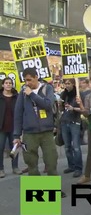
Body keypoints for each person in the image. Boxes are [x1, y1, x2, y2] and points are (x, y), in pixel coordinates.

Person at [13, 68, 66, 197]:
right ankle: (37, 191)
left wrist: (32, 94)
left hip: (46, 132)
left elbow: (47, 105)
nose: (27, 83)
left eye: (30, 80)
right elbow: (18, 113)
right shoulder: (22, 92)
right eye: (25, 80)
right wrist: (16, 135)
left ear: (36, 77)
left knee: (51, 160)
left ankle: (53, 190)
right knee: (31, 161)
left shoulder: (46, 89)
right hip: (29, 133)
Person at [59, 78, 84, 178]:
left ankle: (78, 168)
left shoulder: (78, 94)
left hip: (75, 122)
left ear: (73, 84)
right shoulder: (63, 94)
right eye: (65, 83)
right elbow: (61, 109)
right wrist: (60, 105)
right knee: (67, 146)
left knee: (76, 147)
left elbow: (83, 109)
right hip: (65, 121)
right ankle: (71, 165)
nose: (67, 85)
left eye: (68, 83)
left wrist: (73, 108)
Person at [0, 78, 22, 178]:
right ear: (3, 85)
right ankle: (1, 169)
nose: (8, 85)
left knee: (14, 148)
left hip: (14, 127)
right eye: (6, 83)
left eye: (10, 83)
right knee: (0, 148)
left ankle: (15, 167)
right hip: (2, 128)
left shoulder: (16, 97)